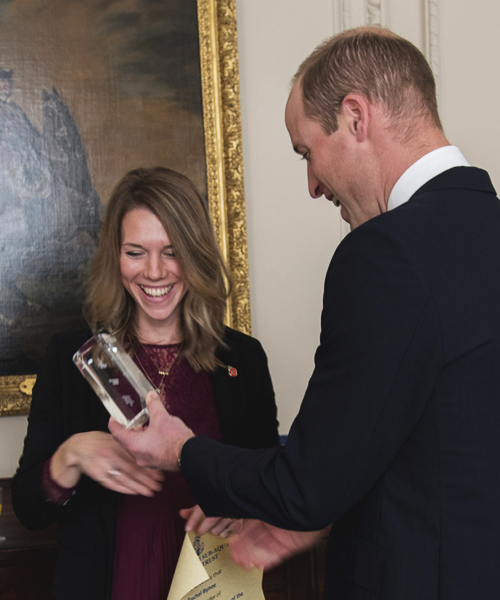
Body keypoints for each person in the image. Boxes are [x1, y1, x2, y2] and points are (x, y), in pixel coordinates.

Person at [110, 27, 500, 600]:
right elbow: (431, 445)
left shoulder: (383, 254)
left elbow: (306, 486)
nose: (313, 185)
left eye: (306, 152)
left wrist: (178, 447)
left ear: (355, 118)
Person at [12, 166, 280, 600]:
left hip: (212, 582)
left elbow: (271, 487)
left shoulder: (242, 359)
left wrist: (245, 514)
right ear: (114, 257)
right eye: (136, 252)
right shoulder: (72, 357)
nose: (154, 272)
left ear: (196, 255)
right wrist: (72, 454)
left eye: (172, 252)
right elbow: (28, 508)